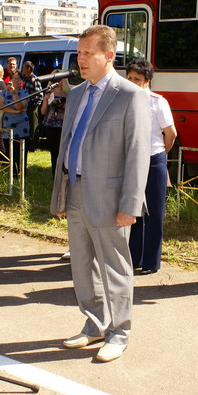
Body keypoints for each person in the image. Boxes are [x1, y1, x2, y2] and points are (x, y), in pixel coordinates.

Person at [50, 25, 151, 363]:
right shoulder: (77, 93)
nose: (80, 59)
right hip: (76, 189)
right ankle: (94, 323)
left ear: (108, 56)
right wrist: (62, 194)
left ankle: (119, 332)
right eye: (79, 53)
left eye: (87, 53)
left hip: (110, 197)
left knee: (115, 267)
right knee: (81, 264)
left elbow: (137, 154)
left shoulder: (129, 95)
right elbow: (67, 145)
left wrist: (130, 204)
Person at [125, 59, 177, 276]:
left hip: (154, 159)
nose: (133, 83)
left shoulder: (157, 102)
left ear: (147, 81)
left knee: (154, 212)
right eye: (129, 79)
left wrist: (161, 155)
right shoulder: (124, 100)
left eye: (137, 79)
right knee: (132, 210)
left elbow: (171, 133)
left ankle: (151, 261)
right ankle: (132, 257)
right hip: (130, 161)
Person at [39, 71, 68, 176]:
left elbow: (70, 110)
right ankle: (54, 175)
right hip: (50, 125)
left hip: (62, 125)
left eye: (59, 79)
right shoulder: (48, 92)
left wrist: (62, 104)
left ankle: (63, 173)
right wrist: (46, 100)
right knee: (53, 152)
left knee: (63, 152)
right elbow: (42, 112)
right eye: (55, 80)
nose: (58, 82)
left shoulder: (67, 93)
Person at [3, 70, 30, 176]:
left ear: (22, 81)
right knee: (10, 152)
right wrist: (15, 111)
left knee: (21, 152)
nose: (16, 81)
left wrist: (14, 93)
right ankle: (12, 174)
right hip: (7, 126)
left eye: (18, 78)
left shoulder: (24, 93)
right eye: (14, 78)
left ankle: (22, 174)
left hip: (21, 126)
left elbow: (21, 106)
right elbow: (1, 106)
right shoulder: (3, 92)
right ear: (10, 80)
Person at [21, 60, 42, 151]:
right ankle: (29, 143)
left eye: (24, 68)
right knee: (28, 124)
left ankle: (34, 145)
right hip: (26, 104)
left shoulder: (34, 79)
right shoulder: (26, 78)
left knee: (33, 125)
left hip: (32, 104)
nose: (23, 70)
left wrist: (34, 104)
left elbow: (39, 94)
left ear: (29, 68)